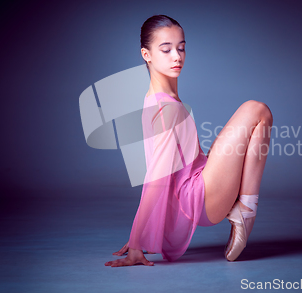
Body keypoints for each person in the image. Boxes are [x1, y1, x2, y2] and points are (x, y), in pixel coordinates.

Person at [105, 15, 273, 267]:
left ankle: (243, 208)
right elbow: (156, 176)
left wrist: (144, 232)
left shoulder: (156, 98)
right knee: (257, 110)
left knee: (247, 131)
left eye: (181, 48)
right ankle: (245, 211)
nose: (177, 56)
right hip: (200, 197)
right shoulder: (165, 107)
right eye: (166, 49)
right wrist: (137, 239)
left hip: (197, 185)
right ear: (146, 54)